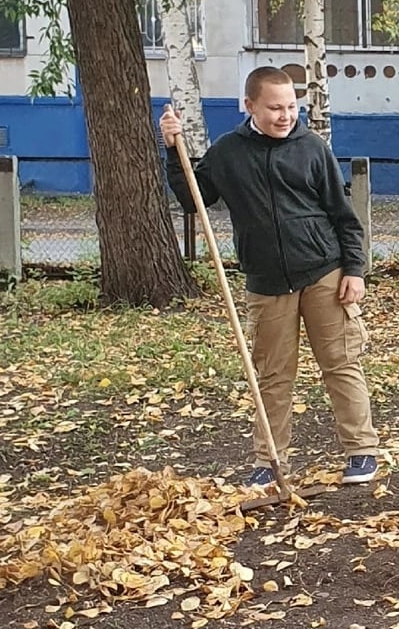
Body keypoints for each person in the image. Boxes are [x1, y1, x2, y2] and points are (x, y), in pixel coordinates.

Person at [161, 68, 379, 488]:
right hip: (266, 282)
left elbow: (344, 217)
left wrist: (354, 269)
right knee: (273, 376)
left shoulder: (312, 148)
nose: (285, 116)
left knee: (340, 364)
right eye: (275, 108)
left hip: (323, 274)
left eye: (292, 107)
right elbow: (194, 200)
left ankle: (361, 451)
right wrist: (173, 150)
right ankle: (270, 459)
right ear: (250, 106)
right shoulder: (228, 152)